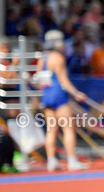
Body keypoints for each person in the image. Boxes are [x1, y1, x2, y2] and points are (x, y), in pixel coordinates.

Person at [35, 30, 89, 172]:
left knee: (51, 130)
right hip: (58, 97)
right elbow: (63, 81)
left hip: (46, 97)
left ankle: (51, 161)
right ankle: (71, 160)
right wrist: (76, 93)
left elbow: (41, 83)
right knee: (68, 129)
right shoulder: (58, 58)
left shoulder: (42, 59)